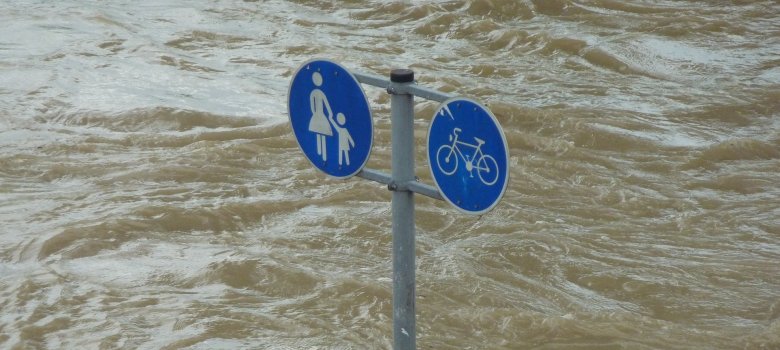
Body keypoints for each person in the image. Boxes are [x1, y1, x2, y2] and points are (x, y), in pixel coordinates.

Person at [307, 72, 333, 162]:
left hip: (318, 115)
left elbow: (325, 103)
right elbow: (324, 104)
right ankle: (321, 155)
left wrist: (315, 113)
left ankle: (322, 155)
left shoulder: (315, 93)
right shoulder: (317, 93)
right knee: (320, 133)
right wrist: (329, 114)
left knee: (320, 132)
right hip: (319, 115)